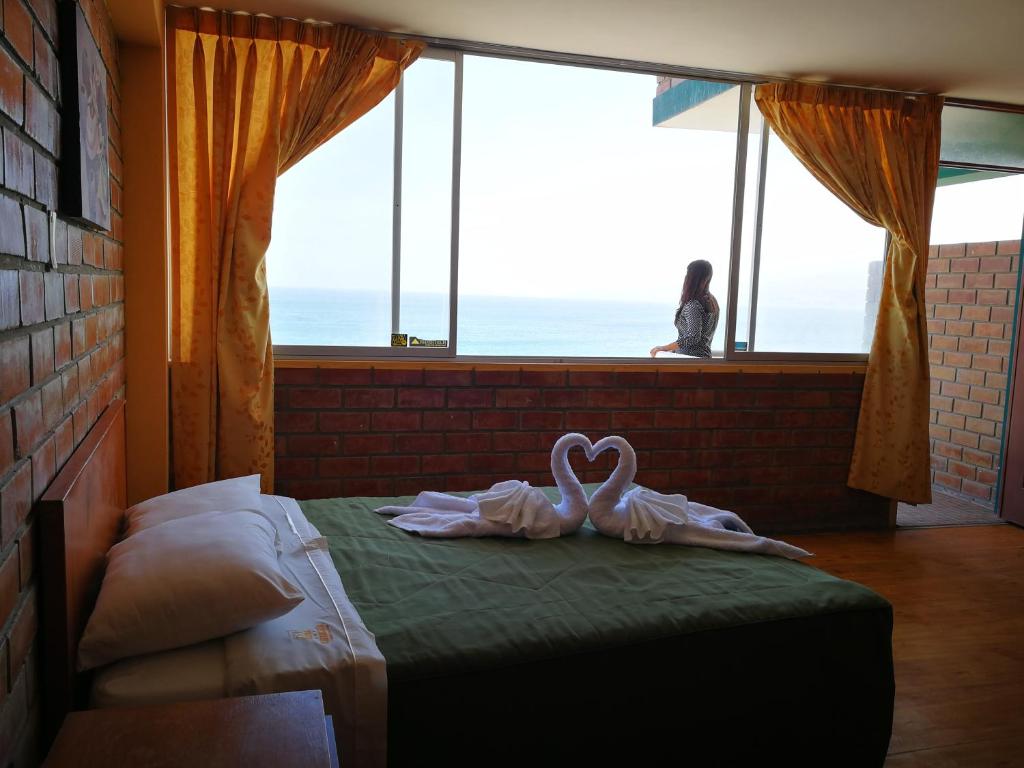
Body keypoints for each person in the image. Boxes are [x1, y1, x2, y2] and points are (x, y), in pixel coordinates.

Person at [649, 259, 719, 358]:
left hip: (689, 362)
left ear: (692, 277)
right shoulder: (712, 300)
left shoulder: (694, 304)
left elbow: (692, 337)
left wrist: (664, 348)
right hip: (703, 359)